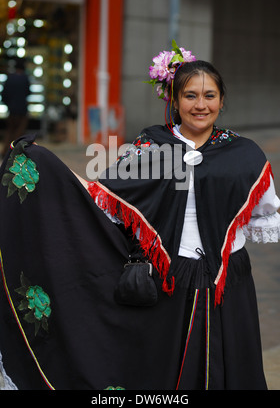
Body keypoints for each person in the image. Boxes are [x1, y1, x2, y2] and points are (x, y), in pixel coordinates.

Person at [0, 42, 279, 390]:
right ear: (175, 101)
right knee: (165, 371)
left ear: (222, 101)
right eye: (190, 95)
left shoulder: (245, 154)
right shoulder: (152, 146)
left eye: (210, 95)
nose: (200, 105)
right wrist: (52, 168)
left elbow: (264, 217)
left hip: (229, 284)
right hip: (170, 279)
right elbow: (105, 196)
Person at [1, 59, 30, 158]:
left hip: (11, 109)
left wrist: (8, 103)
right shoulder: (25, 78)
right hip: (22, 109)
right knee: (19, 133)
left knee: (9, 131)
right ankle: (17, 153)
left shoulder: (10, 78)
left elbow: (4, 94)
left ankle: (5, 152)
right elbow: (28, 92)